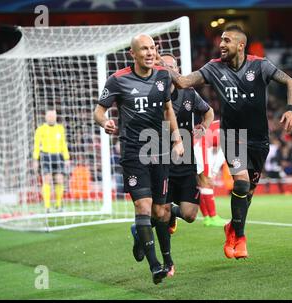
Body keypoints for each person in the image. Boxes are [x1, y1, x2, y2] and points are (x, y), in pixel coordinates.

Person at [157, 25, 292, 259]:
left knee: (248, 194)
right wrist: (162, 66)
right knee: (241, 185)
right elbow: (182, 82)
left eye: (226, 40)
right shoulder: (214, 68)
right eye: (220, 40)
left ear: (240, 45)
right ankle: (240, 240)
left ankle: (232, 228)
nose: (221, 44)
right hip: (232, 135)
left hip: (259, 140)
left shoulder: (260, 65)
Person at [94, 34, 184, 285]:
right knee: (142, 207)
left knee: (160, 211)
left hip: (160, 150)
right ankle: (155, 266)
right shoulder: (117, 80)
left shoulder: (163, 76)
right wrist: (105, 122)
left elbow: (168, 109)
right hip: (134, 153)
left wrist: (177, 139)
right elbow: (99, 111)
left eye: (152, 48)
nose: (149, 52)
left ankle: (148, 244)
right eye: (144, 49)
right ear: (132, 54)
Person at [147, 53, 214, 277]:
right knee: (162, 213)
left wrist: (204, 126)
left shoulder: (188, 93)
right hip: (162, 162)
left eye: (171, 67)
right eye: (163, 66)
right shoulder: (151, 94)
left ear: (177, 69)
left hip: (185, 163)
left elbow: (208, 112)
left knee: (190, 215)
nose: (168, 70)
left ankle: (162, 216)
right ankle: (168, 262)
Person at [33, 109, 70, 213]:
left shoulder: (60, 128)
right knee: (47, 180)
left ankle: (58, 205)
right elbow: (36, 145)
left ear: (55, 117)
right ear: (46, 117)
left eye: (53, 116)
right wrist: (35, 159)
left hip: (58, 156)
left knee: (59, 179)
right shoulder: (40, 129)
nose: (51, 118)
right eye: (49, 116)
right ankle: (47, 206)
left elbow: (64, 144)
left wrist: (66, 158)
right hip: (45, 156)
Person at [195, 120, 227, 227]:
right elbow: (218, 146)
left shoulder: (219, 124)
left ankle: (207, 217)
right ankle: (213, 217)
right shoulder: (226, 128)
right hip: (201, 148)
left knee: (200, 185)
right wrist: (212, 172)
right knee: (206, 182)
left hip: (195, 146)